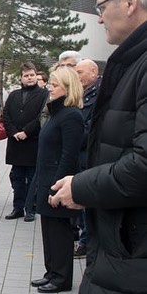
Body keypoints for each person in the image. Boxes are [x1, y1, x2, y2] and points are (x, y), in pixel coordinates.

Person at [49, 0, 147, 292]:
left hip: (131, 255)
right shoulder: (132, 62)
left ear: (129, 1)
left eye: (101, 7)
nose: (100, 19)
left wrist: (82, 187)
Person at [30, 67, 84, 294]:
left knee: (60, 233)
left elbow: (69, 156)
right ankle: (51, 272)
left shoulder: (71, 115)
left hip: (57, 183)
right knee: (48, 231)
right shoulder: (56, 113)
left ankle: (62, 278)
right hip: (45, 179)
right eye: (50, 84)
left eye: (54, 85)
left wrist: (56, 188)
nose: (49, 88)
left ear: (68, 88)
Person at [3, 62, 48, 222]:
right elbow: (6, 115)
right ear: (21, 78)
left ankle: (30, 208)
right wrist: (14, 132)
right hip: (16, 143)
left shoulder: (44, 95)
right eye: (26, 76)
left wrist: (26, 132)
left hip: (32, 142)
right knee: (17, 177)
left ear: (36, 76)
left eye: (32, 75)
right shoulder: (14, 95)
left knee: (31, 178)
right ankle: (17, 208)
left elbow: (41, 116)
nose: (29, 78)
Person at [72, 59, 101, 259]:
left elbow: (92, 126)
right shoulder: (80, 92)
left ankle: (86, 243)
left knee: (86, 202)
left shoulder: (100, 93)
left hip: (89, 155)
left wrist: (73, 137)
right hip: (78, 154)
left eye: (80, 72)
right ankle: (84, 239)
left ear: (93, 72)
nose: (77, 76)